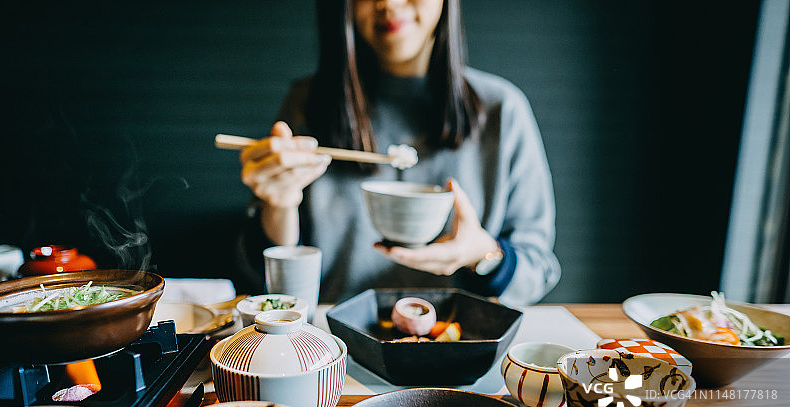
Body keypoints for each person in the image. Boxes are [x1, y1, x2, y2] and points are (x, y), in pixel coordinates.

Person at [236, 0, 560, 308]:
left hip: (459, 345)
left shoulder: (502, 109)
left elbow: (537, 271)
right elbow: (260, 281)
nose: (388, 3)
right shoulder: (308, 103)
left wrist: (482, 255)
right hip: (330, 348)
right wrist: (279, 205)